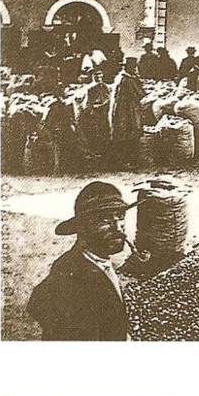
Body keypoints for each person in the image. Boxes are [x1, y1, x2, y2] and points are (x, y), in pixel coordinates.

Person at [27, 182, 136, 340]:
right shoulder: (69, 276)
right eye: (105, 220)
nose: (118, 227)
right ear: (82, 227)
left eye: (120, 216)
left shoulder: (97, 261)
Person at [109, 57, 144, 169]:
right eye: (134, 67)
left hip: (120, 109)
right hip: (127, 110)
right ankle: (127, 162)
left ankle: (124, 161)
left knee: (122, 133)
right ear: (129, 68)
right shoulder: (127, 80)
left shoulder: (120, 77)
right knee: (129, 134)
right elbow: (139, 94)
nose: (135, 69)